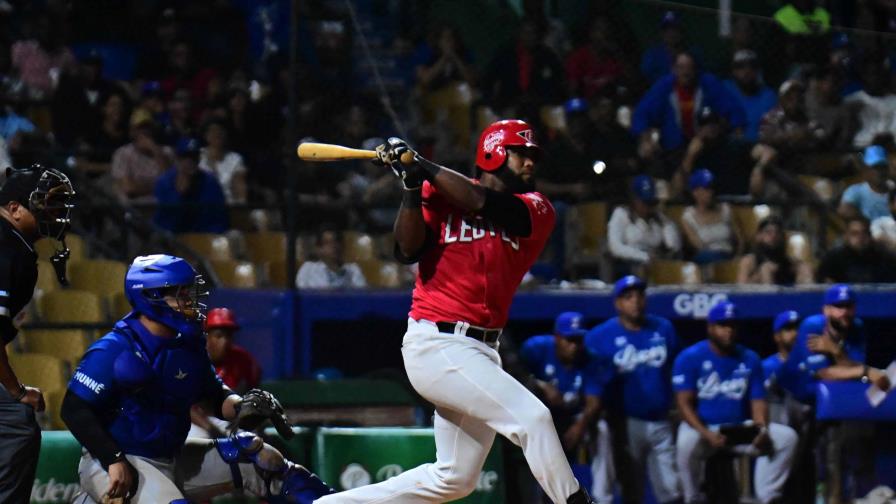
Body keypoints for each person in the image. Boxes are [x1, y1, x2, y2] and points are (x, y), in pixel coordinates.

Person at [316, 120, 596, 503]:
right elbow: (406, 251)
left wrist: (421, 163)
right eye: (521, 153)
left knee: (454, 479)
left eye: (532, 155)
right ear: (493, 152)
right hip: (436, 342)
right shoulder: (439, 192)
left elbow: (481, 201)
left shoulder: (537, 208)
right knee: (533, 418)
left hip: (481, 351)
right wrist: (412, 187)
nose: (530, 162)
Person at [60, 254, 332, 503]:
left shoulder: (188, 345)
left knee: (263, 460)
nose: (191, 302)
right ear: (152, 297)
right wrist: (113, 459)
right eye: (181, 295)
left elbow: (214, 395)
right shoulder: (115, 348)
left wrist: (242, 405)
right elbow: (73, 409)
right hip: (117, 461)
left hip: (171, 455)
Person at [0, 165, 75, 503]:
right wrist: (16, 391)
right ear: (14, 209)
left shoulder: (13, 243)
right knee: (17, 423)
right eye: (46, 203)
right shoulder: (5, 245)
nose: (55, 213)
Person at [673, 301, 798, 504]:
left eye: (732, 325)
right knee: (685, 442)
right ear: (710, 327)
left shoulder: (749, 358)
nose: (728, 331)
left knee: (786, 438)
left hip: (739, 429)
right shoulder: (689, 357)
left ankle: (768, 496)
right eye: (723, 325)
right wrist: (706, 434)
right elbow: (683, 405)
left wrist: (762, 430)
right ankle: (693, 497)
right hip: (705, 430)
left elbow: (758, 402)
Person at [779, 285, 888, 502]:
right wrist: (866, 370)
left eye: (848, 306)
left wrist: (836, 351)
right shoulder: (812, 326)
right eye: (838, 307)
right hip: (793, 394)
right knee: (793, 460)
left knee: (833, 456)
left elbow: (851, 369)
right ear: (826, 310)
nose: (844, 312)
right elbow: (823, 373)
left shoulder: (856, 327)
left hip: (825, 401)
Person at [584, 276, 682, 504]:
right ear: (617, 303)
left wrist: (676, 408)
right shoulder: (599, 336)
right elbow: (592, 378)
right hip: (625, 422)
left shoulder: (663, 328)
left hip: (661, 420)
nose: (635, 301)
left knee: (672, 489)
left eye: (639, 296)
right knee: (631, 488)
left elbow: (676, 369)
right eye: (628, 297)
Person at [520, 312, 610, 502]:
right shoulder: (536, 348)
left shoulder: (590, 359)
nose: (574, 345)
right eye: (569, 339)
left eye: (578, 340)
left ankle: (602, 497)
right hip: (541, 419)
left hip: (574, 419)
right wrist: (540, 384)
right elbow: (514, 374)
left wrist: (580, 426)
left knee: (602, 430)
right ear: (557, 337)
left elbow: (594, 402)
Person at [632, 52, 745, 154]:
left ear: (695, 69)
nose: (685, 72)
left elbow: (731, 108)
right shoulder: (664, 86)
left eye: (689, 68)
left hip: (707, 145)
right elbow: (642, 112)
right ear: (673, 69)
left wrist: (736, 128)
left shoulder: (708, 83)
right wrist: (644, 138)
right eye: (681, 68)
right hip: (674, 148)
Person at [190, 307, 261, 438]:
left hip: (232, 420)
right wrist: (211, 429)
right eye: (218, 336)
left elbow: (253, 397)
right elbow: (186, 408)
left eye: (228, 336)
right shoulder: (193, 359)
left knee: (251, 439)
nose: (224, 341)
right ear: (207, 336)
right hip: (200, 421)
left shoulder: (244, 360)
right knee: (195, 438)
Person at [607, 175, 681, 277]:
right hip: (628, 265)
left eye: (650, 202)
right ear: (634, 199)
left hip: (656, 266)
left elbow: (673, 246)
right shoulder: (621, 214)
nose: (647, 206)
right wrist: (643, 257)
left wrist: (664, 215)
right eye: (643, 202)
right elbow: (615, 247)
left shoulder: (659, 219)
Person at [154, 137, 229, 233]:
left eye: (193, 157)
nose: (190, 161)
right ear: (177, 158)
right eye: (185, 157)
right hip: (172, 239)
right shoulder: (164, 182)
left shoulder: (210, 182)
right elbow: (162, 222)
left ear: (199, 158)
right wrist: (180, 194)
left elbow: (220, 220)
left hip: (203, 238)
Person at [680, 169, 741, 264]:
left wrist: (737, 257)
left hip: (729, 256)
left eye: (712, 188)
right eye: (707, 188)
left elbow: (740, 240)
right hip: (706, 259)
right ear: (695, 192)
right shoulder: (688, 216)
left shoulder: (726, 209)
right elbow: (697, 246)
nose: (711, 192)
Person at [816, 215, 896, 283]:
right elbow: (822, 282)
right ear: (846, 236)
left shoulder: (884, 258)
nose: (860, 238)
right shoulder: (833, 258)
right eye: (855, 234)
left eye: (864, 233)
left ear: (870, 236)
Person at [737, 215, 812, 285]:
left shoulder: (788, 262)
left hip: (786, 296)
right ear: (759, 236)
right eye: (768, 232)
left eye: (777, 232)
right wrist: (760, 275)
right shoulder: (749, 261)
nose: (773, 236)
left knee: (805, 268)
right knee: (766, 269)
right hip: (760, 297)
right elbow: (741, 289)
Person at [724, 50, 777, 143]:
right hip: (729, 149)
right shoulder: (724, 89)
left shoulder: (769, 96)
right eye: (740, 66)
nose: (747, 71)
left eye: (752, 66)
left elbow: (772, 129)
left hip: (760, 148)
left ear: (758, 70)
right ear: (733, 71)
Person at [762, 310, 801, 426]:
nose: (795, 333)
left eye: (798, 328)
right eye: (789, 329)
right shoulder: (767, 366)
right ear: (777, 336)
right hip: (779, 420)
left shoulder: (811, 362)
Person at [295, 228, 367, 289]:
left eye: (336, 242)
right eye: (327, 243)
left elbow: (362, 301)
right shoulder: (308, 269)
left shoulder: (354, 271)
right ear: (318, 249)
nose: (333, 246)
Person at [838, 145, 893, 221]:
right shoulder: (856, 190)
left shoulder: (892, 189)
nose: (880, 172)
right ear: (866, 170)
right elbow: (843, 211)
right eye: (875, 168)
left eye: (883, 167)